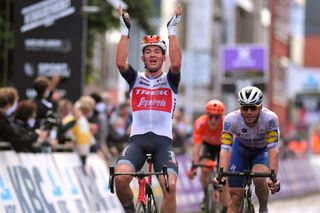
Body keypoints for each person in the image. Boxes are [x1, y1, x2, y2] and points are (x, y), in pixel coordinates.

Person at [113, 4, 183, 213]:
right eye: (148, 52)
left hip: (163, 143)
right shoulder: (135, 79)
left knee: (169, 187)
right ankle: (130, 210)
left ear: (163, 57)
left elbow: (178, 64)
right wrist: (125, 31)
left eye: (157, 52)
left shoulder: (170, 80)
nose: (152, 55)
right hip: (138, 141)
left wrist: (172, 31)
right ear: (143, 58)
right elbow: (119, 62)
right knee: (120, 177)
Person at [218, 86, 280, 213]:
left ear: (261, 107)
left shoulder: (270, 119)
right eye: (245, 108)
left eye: (253, 107)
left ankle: (263, 207)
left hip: (261, 151)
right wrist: (221, 174)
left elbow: (273, 150)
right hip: (240, 150)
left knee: (259, 176)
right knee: (235, 198)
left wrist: (273, 177)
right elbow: (225, 149)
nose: (249, 112)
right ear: (240, 107)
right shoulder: (230, 120)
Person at [187, 99, 229, 212]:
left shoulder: (226, 124)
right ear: (206, 115)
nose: (213, 120)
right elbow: (196, 148)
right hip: (208, 146)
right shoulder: (200, 123)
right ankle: (206, 194)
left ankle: (225, 206)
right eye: (210, 116)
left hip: (223, 147)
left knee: (225, 174)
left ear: (222, 116)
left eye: (217, 117)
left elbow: (230, 149)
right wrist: (194, 166)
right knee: (204, 168)